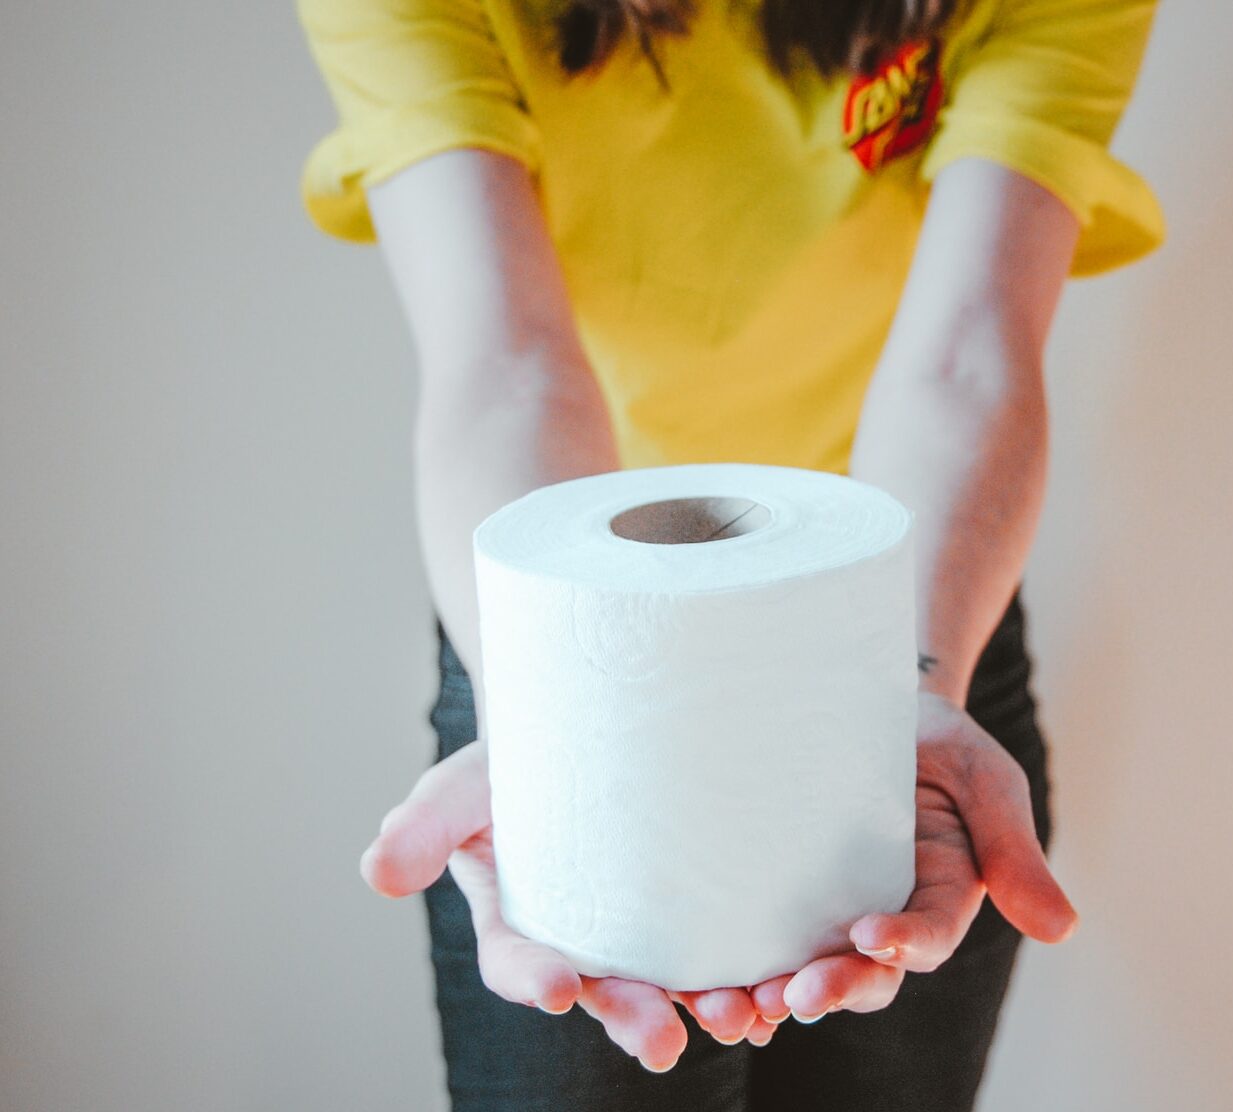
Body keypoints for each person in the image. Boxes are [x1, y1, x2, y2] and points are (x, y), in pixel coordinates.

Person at [294, 0, 1164, 1107]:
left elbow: (967, 355)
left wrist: (905, 689)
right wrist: (553, 731)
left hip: (908, 616)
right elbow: (507, 363)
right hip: (572, 645)